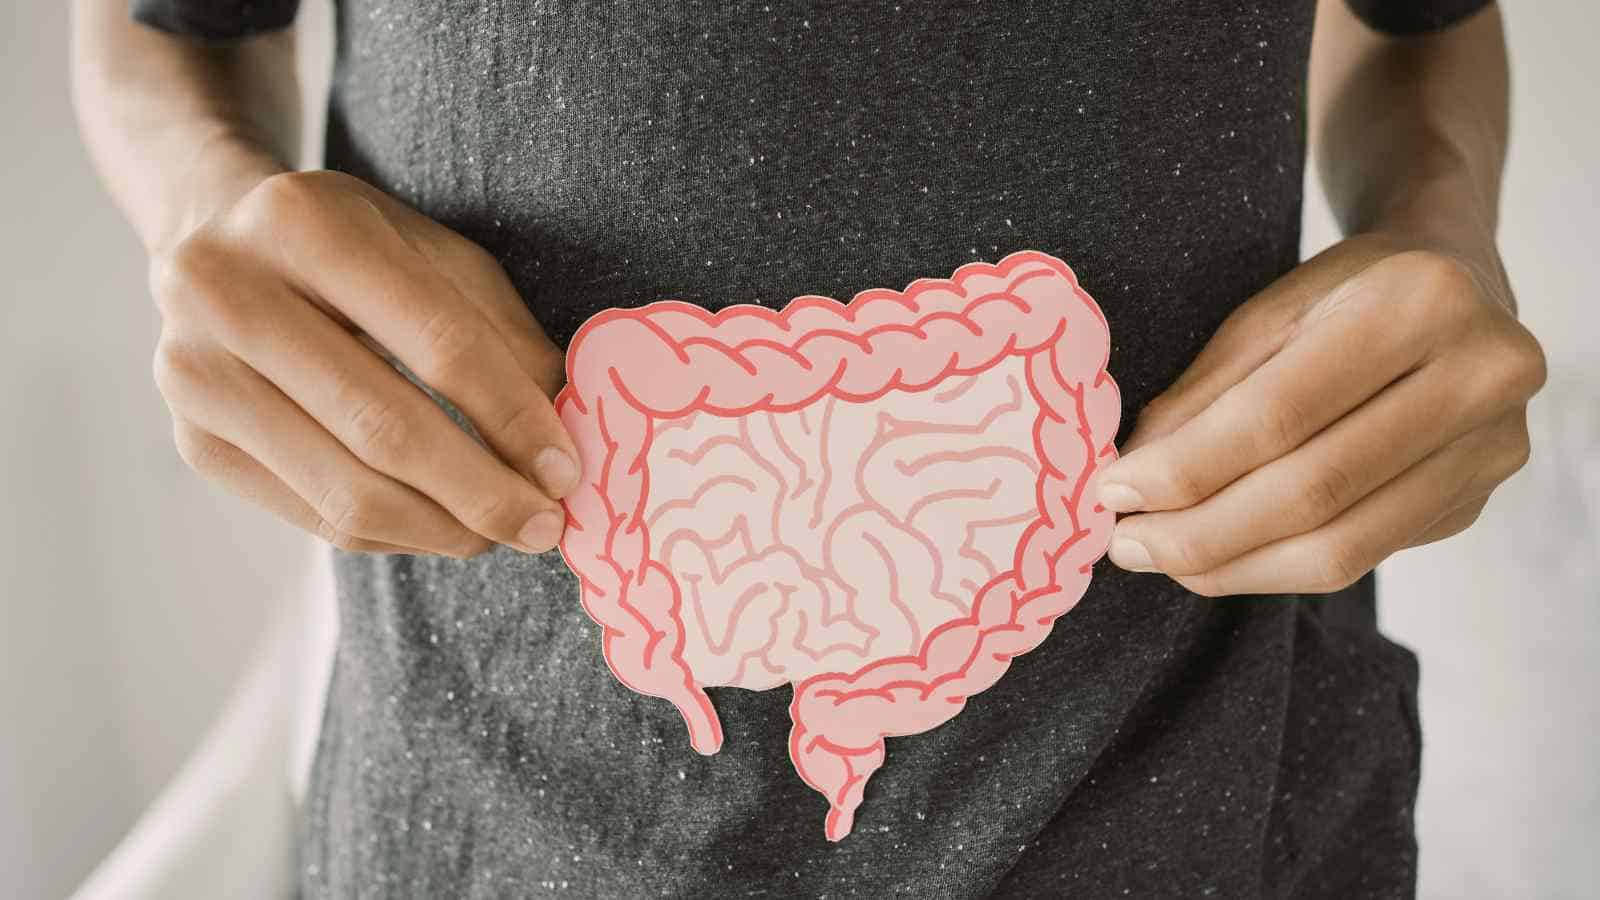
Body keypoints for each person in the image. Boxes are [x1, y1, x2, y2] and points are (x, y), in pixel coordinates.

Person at [71, 1, 1544, 896]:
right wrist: (203, 203)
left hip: (1199, 798)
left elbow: (1417, 28)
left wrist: (1442, 225)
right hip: (487, 809)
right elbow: (171, 32)